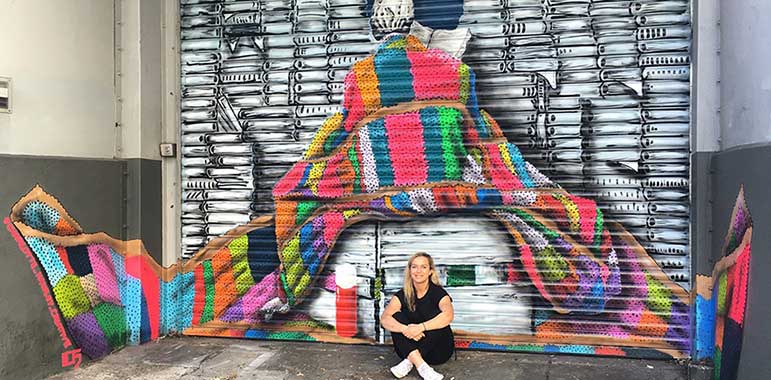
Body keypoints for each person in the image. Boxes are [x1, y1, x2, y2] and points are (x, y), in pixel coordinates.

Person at [380, 252, 454, 380]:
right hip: (408, 349)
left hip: (438, 352)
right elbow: (385, 319)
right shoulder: (402, 294)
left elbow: (448, 315)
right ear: (409, 270)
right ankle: (422, 367)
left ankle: (409, 362)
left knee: (439, 316)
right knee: (396, 317)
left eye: (423, 267)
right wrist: (406, 329)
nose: (418, 271)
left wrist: (421, 327)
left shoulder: (438, 293)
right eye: (414, 267)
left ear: (430, 271)